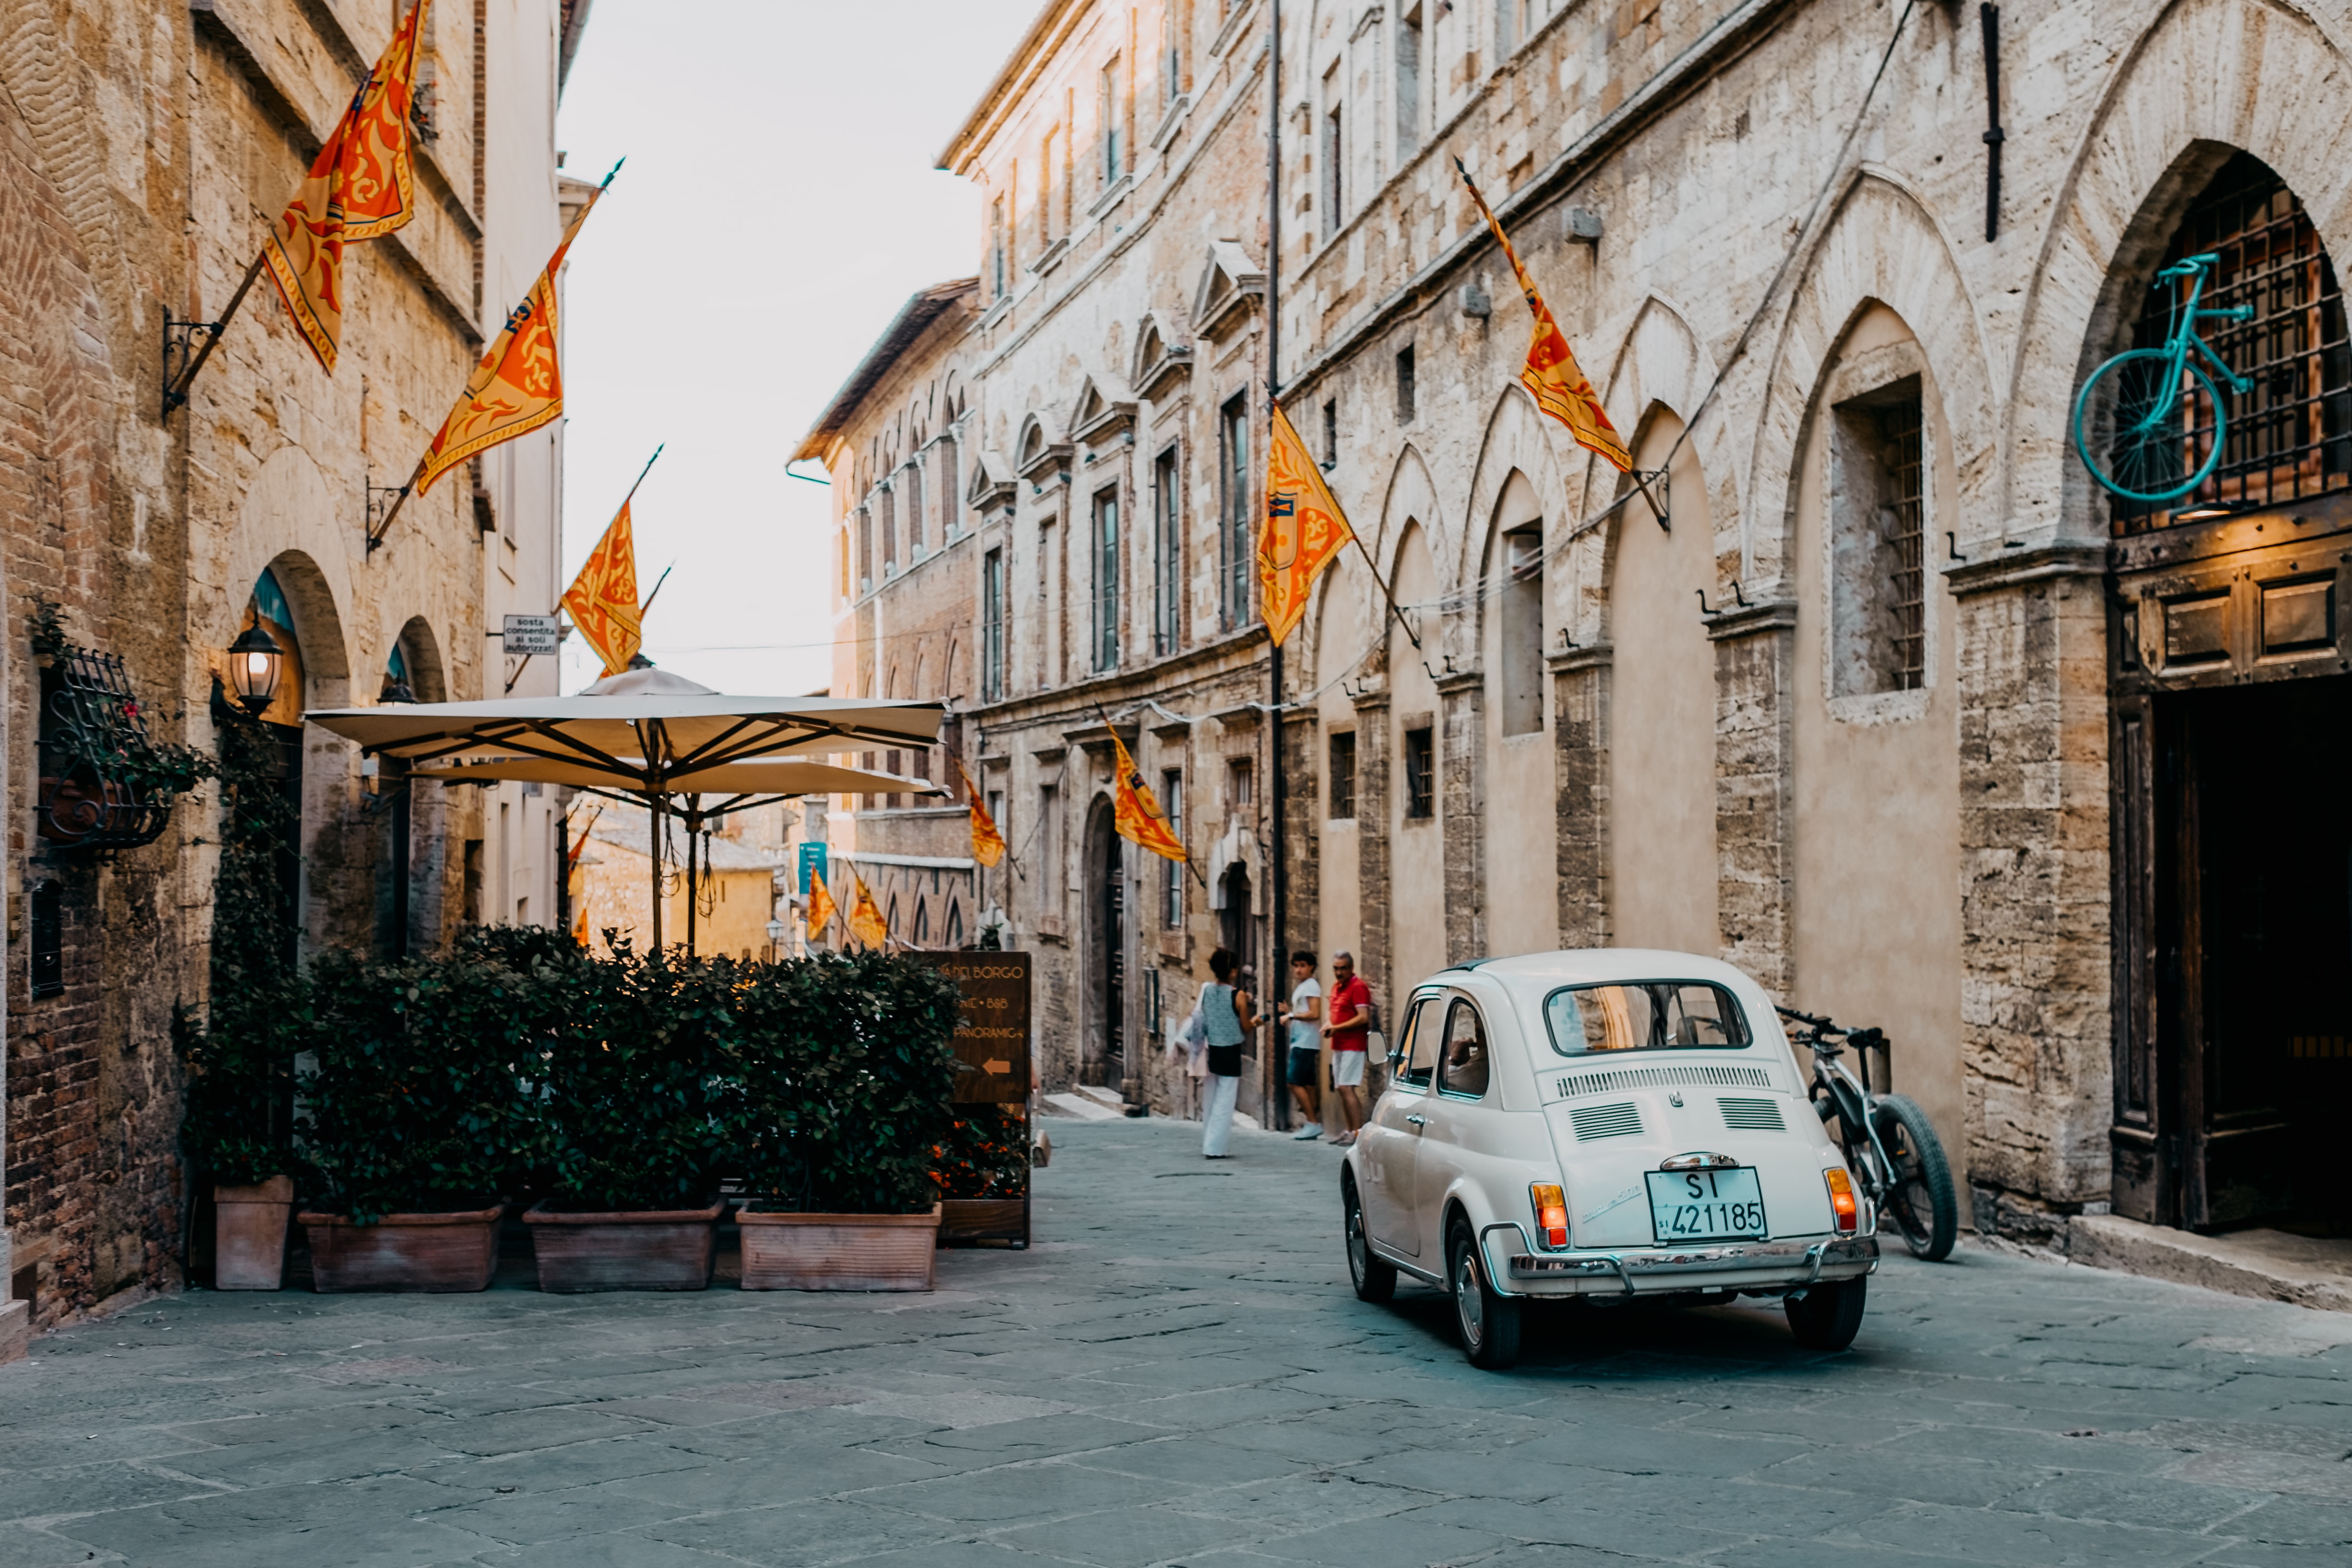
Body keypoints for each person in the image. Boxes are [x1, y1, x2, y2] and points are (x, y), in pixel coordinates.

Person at [1199, 946, 1257, 1158]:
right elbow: (1246, 1027)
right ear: (1233, 971)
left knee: (1211, 1098)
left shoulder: (1207, 990)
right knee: (1225, 1100)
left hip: (1212, 1049)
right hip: (1231, 1051)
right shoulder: (1238, 996)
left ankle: (1208, 1140)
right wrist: (1256, 1021)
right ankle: (1214, 1148)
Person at [1323, 949, 1372, 1146]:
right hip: (1339, 1044)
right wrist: (1329, 1024)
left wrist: (1336, 1027)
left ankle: (1358, 1132)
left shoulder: (1358, 987)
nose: (1339, 972)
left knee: (1346, 1088)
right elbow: (1331, 1011)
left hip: (1354, 1045)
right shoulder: (1336, 986)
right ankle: (1349, 1130)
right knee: (1342, 1089)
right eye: (1336, 968)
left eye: (1343, 968)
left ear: (1351, 968)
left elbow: (1363, 1017)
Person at [1277, 950, 1323, 1139]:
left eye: (1302, 966)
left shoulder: (1311, 986)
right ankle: (1313, 1122)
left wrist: (1291, 1015)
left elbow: (1314, 1013)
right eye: (1295, 966)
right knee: (1308, 1083)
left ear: (1311, 967)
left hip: (1305, 1043)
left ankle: (1312, 1122)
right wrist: (1290, 1011)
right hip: (1302, 1041)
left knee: (1293, 1082)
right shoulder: (1304, 987)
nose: (1298, 970)